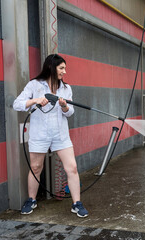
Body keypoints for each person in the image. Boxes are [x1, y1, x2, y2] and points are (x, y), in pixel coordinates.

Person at [13, 54, 88, 218]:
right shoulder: (34, 85)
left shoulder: (66, 88)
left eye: (65, 68)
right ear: (51, 67)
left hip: (60, 134)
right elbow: (17, 104)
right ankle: (31, 200)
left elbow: (70, 113)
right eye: (61, 68)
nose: (64, 71)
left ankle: (77, 203)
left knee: (72, 168)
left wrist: (64, 106)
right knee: (35, 168)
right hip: (39, 133)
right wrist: (36, 101)